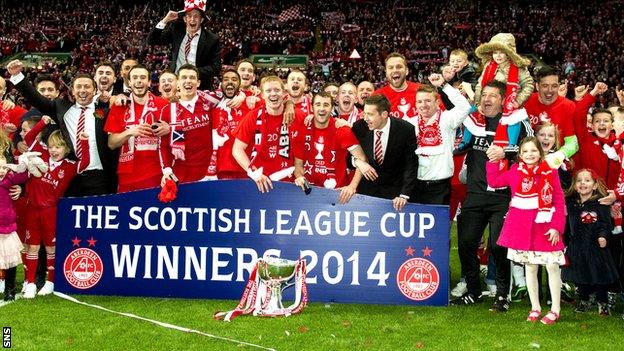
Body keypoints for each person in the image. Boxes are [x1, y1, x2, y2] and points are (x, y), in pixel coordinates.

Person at [453, 80, 534, 311]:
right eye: (484, 95)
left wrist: (506, 152)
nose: (486, 99)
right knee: (466, 243)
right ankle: (474, 290)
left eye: (492, 96)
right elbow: (458, 144)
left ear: (502, 99)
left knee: (499, 247)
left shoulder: (516, 120)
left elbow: (532, 148)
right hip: (475, 194)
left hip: (504, 196)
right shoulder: (472, 121)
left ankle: (502, 294)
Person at [7, 59, 118, 196]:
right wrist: (18, 76)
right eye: (78, 87)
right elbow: (36, 98)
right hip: (69, 176)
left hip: (99, 177)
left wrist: (107, 102)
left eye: (87, 86)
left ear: (94, 90)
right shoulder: (61, 108)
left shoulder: (102, 111)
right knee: (67, 216)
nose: (82, 90)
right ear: (72, 91)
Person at [486, 137, 566, 324]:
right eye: (526, 151)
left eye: (534, 151)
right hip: (522, 227)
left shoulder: (550, 172)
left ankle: (555, 309)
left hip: (545, 225)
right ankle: (535, 306)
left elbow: (559, 200)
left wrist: (556, 226)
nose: (530, 154)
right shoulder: (514, 171)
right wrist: (494, 160)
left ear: (540, 152)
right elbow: (495, 181)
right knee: (530, 267)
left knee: (552, 266)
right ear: (520, 155)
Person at [21, 128, 84, 298]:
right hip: (32, 210)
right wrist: (42, 123)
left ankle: (50, 282)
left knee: (51, 247)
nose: (54, 150)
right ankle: (31, 283)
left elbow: (85, 162)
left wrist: (84, 141)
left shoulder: (69, 166)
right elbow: (28, 137)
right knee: (32, 246)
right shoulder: (40, 157)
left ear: (67, 149)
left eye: (58, 147)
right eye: (51, 147)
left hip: (51, 211)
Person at [292, 92, 372, 204]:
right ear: (312, 107)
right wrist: (299, 177)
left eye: (326, 105)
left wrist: (352, 187)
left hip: (338, 195)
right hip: (310, 194)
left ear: (332, 108)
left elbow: (362, 159)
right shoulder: (303, 129)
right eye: (318, 104)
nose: (322, 108)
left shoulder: (342, 130)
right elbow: (298, 165)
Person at [459, 33, 533, 153]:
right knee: (470, 111)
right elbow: (479, 85)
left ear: (509, 52)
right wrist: (478, 103)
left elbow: (529, 85)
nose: (497, 56)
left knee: (514, 117)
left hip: (509, 104)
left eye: (501, 52)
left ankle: (511, 146)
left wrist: (518, 101)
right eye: (495, 52)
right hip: (489, 102)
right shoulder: (489, 65)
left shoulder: (519, 67)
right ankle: (465, 141)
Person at [232, 76, 305, 193]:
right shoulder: (253, 116)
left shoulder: (298, 115)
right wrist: (254, 173)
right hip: (260, 183)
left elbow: (320, 123)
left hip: (289, 184)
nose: (273, 94)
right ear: (262, 95)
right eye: (268, 91)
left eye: (277, 90)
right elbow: (237, 149)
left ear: (284, 93)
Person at [105, 64, 171, 192]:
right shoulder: (119, 106)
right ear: (129, 82)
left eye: (142, 77)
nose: (139, 81)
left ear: (149, 82)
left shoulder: (163, 104)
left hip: (156, 172)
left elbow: (176, 135)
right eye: (135, 78)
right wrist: (129, 132)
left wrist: (169, 128)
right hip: (127, 174)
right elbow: (111, 143)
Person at [563, 169, 619, 316]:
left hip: (595, 248)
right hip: (577, 247)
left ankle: (603, 302)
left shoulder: (600, 204)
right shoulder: (571, 204)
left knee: (598, 276)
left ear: (594, 185)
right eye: (579, 181)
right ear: (574, 185)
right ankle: (584, 300)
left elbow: (605, 224)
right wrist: (564, 242)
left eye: (587, 180)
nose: (583, 183)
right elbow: (567, 226)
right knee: (580, 276)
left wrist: (603, 236)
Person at [351, 94, 418, 211]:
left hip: (395, 197)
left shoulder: (406, 130)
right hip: (366, 194)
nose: (365, 118)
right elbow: (348, 159)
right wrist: (359, 162)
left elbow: (411, 165)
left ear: (384, 115)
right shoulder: (359, 127)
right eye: (365, 113)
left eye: (370, 114)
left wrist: (404, 194)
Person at [412, 74, 471, 205]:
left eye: (428, 100)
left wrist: (444, 85)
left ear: (437, 102)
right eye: (419, 101)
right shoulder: (411, 123)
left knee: (438, 225)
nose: (423, 105)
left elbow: (465, 107)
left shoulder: (447, 119)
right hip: (415, 186)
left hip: (440, 187)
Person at [159, 64, 220, 184]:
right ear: (177, 82)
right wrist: (166, 170)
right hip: (182, 173)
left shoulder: (210, 103)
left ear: (198, 83)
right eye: (184, 77)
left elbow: (232, 92)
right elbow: (163, 145)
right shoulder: (167, 110)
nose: (188, 81)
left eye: (192, 78)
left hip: (210, 172)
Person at [148, 3, 221, 91]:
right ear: (184, 19)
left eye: (196, 16)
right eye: (189, 16)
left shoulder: (212, 39)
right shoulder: (176, 30)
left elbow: (216, 68)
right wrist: (165, 20)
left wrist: (193, 72)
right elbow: (152, 40)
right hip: (176, 84)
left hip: (199, 87)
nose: (192, 19)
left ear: (201, 20)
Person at [524, 66, 579, 167]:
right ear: (537, 86)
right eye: (545, 86)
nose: (550, 90)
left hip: (555, 165)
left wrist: (557, 157)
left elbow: (572, 142)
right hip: (526, 162)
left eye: (554, 86)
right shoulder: (525, 102)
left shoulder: (568, 106)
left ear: (558, 86)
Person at [210, 69, 252, 180]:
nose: (230, 82)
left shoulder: (250, 103)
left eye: (234, 79)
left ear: (239, 84)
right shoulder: (212, 107)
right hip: (221, 169)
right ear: (221, 84)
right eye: (226, 79)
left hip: (246, 168)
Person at [0, 151, 28, 301]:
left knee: (10, 260)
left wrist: (22, 165)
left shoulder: (9, 179)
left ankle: (10, 289)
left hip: (7, 227)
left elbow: (24, 176)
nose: (2, 170)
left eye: (4, 167)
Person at [373, 53, 421, 120]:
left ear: (407, 71)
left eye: (399, 67)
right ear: (386, 73)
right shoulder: (377, 96)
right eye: (390, 68)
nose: (395, 70)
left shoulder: (422, 90)